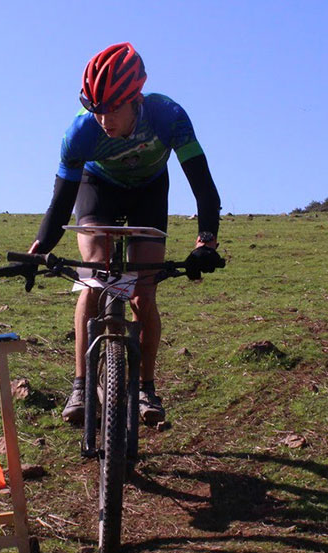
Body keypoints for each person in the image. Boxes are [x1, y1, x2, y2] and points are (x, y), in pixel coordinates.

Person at [21, 42, 224, 426]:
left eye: (113, 108)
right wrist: (41, 248)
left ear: (136, 99)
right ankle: (81, 384)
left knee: (143, 292)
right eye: (97, 109)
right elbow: (61, 203)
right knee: (94, 278)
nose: (104, 119)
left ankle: (146, 387)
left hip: (149, 189)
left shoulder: (168, 117)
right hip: (99, 187)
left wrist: (206, 241)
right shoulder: (80, 133)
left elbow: (203, 186)